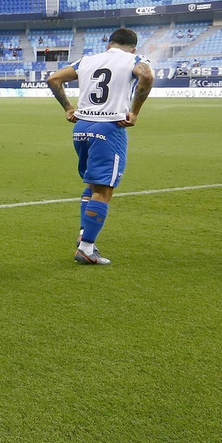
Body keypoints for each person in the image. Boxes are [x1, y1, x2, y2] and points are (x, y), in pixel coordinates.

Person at [45, 27, 154, 266]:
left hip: (82, 127)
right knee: (103, 190)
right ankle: (85, 249)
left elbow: (53, 79)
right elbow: (146, 76)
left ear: (109, 44)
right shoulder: (134, 59)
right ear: (133, 48)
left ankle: (86, 235)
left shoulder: (87, 60)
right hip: (109, 128)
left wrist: (68, 108)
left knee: (92, 184)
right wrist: (134, 112)